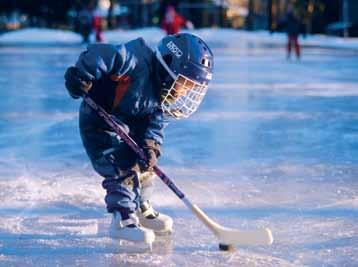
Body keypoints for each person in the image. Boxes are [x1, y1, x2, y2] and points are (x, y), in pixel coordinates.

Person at [64, 33, 214, 246]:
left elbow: (154, 125)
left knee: (145, 164)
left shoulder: (162, 93)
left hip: (127, 126)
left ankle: (142, 208)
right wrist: (82, 74)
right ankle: (123, 218)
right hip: (99, 123)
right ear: (169, 64)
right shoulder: (135, 60)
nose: (183, 92)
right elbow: (103, 54)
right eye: (183, 83)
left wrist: (151, 147)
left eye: (190, 88)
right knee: (122, 167)